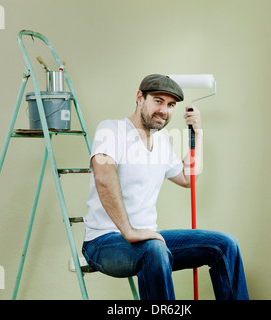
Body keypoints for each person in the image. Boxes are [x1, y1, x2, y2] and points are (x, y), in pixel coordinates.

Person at [82, 74, 249, 300]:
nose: (164, 110)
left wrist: (198, 134)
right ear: (140, 97)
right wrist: (129, 231)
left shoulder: (161, 142)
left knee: (225, 245)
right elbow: (103, 177)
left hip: (150, 240)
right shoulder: (111, 130)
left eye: (170, 105)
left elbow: (187, 178)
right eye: (158, 101)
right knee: (154, 249)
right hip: (104, 243)